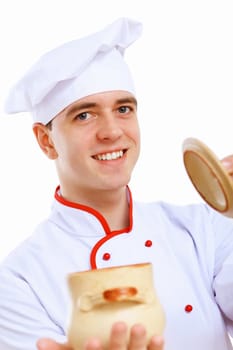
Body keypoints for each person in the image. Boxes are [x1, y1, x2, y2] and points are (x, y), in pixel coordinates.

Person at [1, 17, 233, 350]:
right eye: (85, 114)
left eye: (124, 109)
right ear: (45, 141)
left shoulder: (205, 228)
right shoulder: (19, 280)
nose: (112, 131)